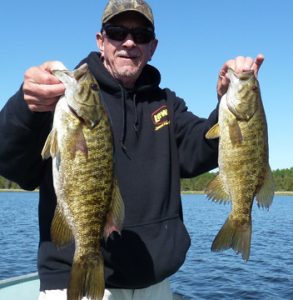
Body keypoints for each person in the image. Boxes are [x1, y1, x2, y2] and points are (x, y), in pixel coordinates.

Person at [0, 0, 264, 299]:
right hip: (73, 280)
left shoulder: (166, 104)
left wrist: (229, 105)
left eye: (140, 35)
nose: (128, 42)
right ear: (101, 41)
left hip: (154, 284)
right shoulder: (60, 102)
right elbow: (12, 165)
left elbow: (199, 150)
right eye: (116, 32)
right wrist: (26, 107)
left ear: (152, 46)